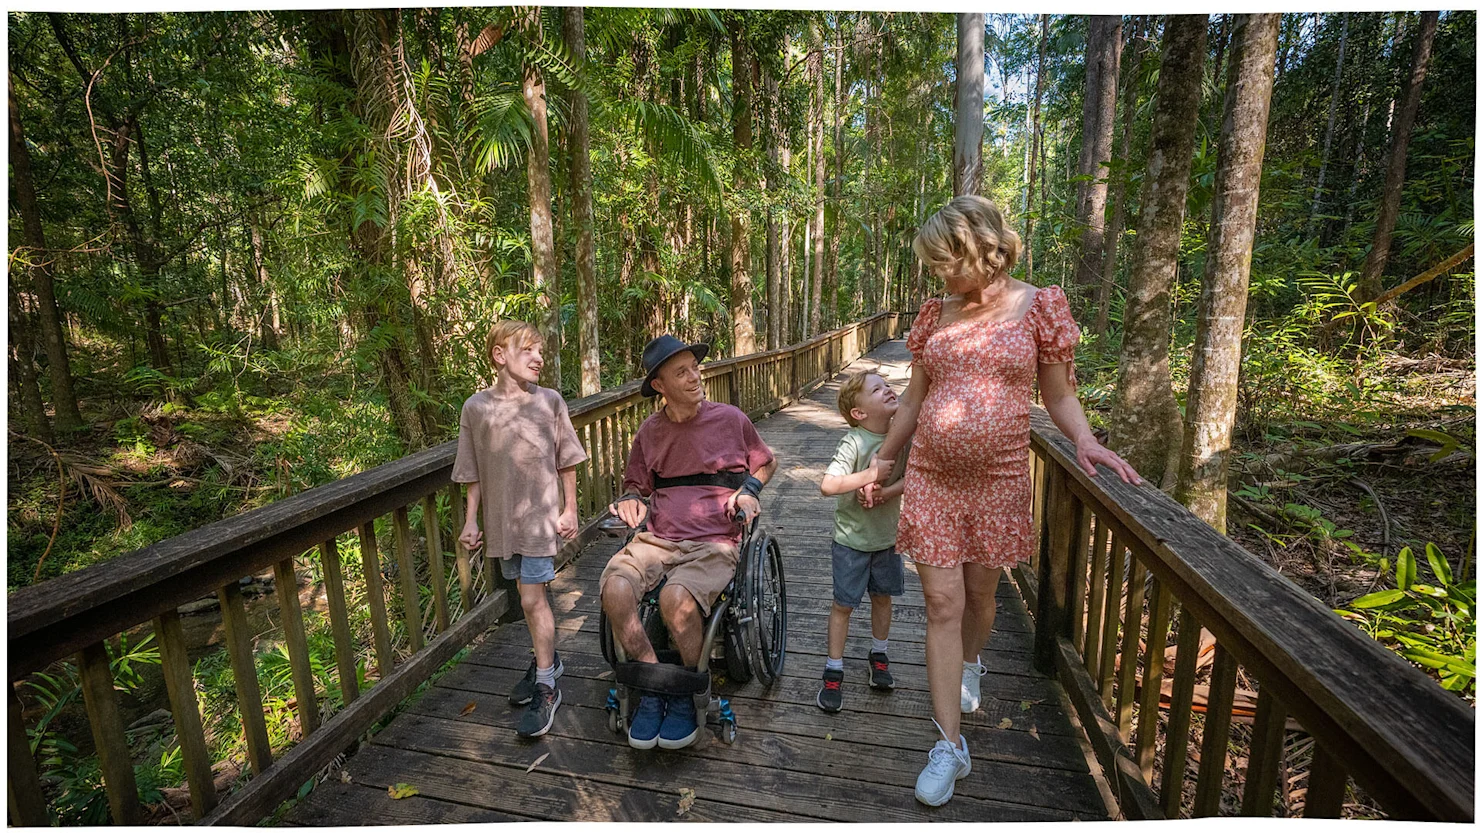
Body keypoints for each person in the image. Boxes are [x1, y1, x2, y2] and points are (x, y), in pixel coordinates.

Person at [872, 196, 1142, 806]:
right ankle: (949, 744)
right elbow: (913, 400)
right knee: (942, 603)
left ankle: (971, 661)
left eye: (945, 261)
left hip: (999, 481)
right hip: (932, 479)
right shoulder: (935, 313)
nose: (938, 273)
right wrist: (884, 458)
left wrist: (1085, 440)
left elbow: (1059, 395)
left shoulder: (1038, 305)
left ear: (982, 251)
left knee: (980, 598)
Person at [601, 335, 778, 751]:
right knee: (615, 589)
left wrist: (749, 490)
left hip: (715, 541)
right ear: (659, 385)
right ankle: (654, 683)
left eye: (695, 368)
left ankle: (687, 689)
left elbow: (767, 463)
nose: (695, 377)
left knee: (675, 599)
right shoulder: (649, 432)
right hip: (657, 539)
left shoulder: (731, 419)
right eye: (682, 372)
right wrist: (629, 501)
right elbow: (635, 487)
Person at [453, 321, 587, 739]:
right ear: (499, 355)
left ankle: (547, 684)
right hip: (501, 523)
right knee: (527, 598)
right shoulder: (476, 408)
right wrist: (471, 519)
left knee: (531, 599)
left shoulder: (549, 401)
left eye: (540, 351)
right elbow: (471, 470)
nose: (538, 358)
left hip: (540, 520)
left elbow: (567, 458)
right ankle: (548, 660)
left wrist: (570, 509)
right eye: (527, 349)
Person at [815, 371, 910, 713]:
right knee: (843, 605)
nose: (888, 390)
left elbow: (914, 476)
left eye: (887, 385)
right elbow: (828, 485)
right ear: (859, 413)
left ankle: (879, 655)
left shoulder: (904, 436)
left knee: (883, 598)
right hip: (851, 541)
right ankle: (834, 669)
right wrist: (870, 475)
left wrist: (886, 492)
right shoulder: (854, 442)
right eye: (876, 389)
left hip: (886, 539)